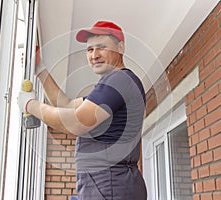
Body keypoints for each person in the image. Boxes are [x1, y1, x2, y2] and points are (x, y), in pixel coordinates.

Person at [18, 21, 147, 200]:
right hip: (109, 185)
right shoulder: (114, 84)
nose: (94, 55)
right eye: (89, 49)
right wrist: (40, 69)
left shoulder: (119, 80)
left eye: (101, 47)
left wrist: (30, 105)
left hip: (111, 185)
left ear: (120, 47)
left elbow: (76, 122)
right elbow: (67, 105)